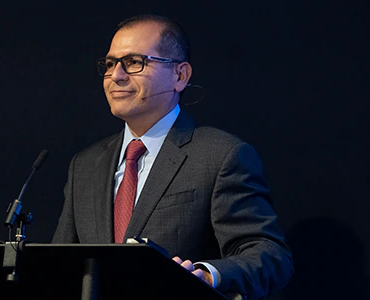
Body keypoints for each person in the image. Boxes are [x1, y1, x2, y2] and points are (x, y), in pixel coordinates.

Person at [52, 14, 293, 299]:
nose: (116, 75)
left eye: (134, 62)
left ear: (180, 75)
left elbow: (268, 255)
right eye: (110, 64)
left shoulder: (220, 155)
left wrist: (207, 274)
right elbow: (59, 265)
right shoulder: (85, 165)